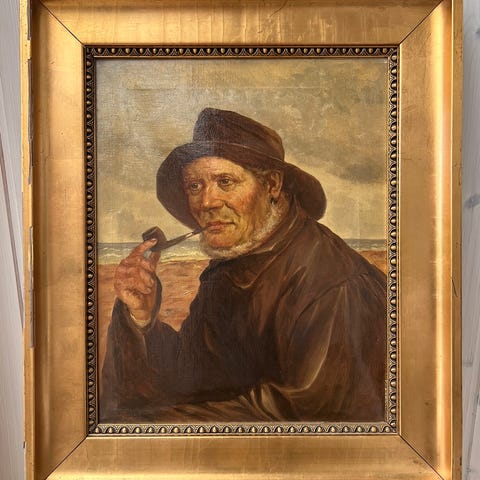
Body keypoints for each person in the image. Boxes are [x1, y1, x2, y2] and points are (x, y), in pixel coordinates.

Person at [101, 108, 386, 423]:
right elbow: (193, 373)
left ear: (272, 185)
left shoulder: (333, 284)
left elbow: (303, 417)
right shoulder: (231, 266)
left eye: (225, 181)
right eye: (194, 186)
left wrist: (148, 428)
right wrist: (141, 317)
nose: (206, 202)